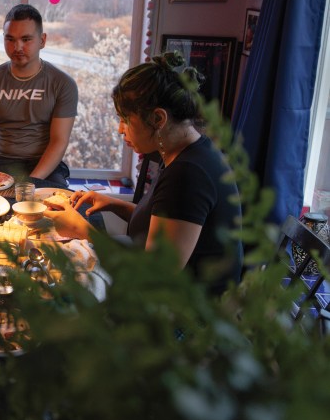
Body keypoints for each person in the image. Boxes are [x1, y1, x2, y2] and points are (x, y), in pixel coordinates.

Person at [45, 53, 242, 295]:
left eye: (125, 119)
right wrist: (114, 204)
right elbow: (165, 223)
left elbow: (156, 275)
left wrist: (83, 230)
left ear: (158, 118)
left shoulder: (188, 174)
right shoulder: (187, 152)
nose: (120, 129)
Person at [0, 3, 78, 184]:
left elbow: (59, 141)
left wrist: (32, 182)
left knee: (51, 204)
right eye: (10, 39)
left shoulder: (63, 84)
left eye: (26, 39)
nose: (17, 47)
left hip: (42, 163)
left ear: (42, 40)